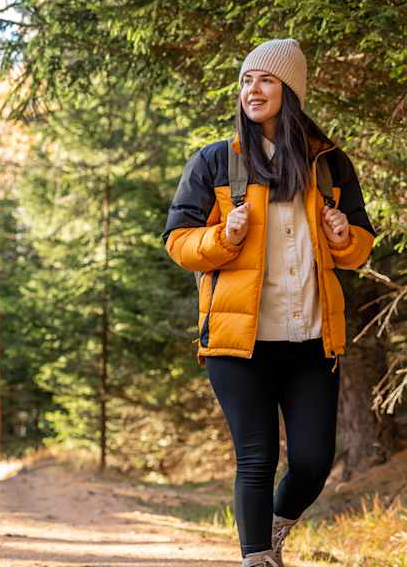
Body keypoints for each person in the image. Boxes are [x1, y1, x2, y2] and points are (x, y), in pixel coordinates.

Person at [160, 38, 376, 567]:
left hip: (309, 338)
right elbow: (178, 242)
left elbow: (358, 251)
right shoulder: (215, 161)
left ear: (290, 91)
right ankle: (257, 559)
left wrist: (344, 233)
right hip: (239, 342)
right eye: (246, 81)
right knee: (255, 458)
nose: (252, 91)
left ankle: (275, 528)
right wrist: (224, 239)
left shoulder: (327, 164)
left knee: (313, 461)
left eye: (265, 80)